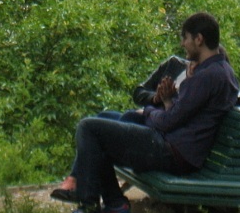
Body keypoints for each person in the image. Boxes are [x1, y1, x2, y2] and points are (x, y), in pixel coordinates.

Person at [60, 11, 238, 213]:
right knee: (104, 122)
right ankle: (115, 206)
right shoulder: (219, 72)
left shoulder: (207, 76)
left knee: (89, 128)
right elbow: (180, 114)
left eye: (186, 38)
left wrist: (147, 113)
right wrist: (169, 100)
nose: (183, 44)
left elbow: (167, 122)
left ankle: (88, 211)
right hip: (179, 147)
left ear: (199, 39)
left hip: (171, 151)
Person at [49, 54, 193, 202]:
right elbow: (139, 92)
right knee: (103, 117)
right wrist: (155, 98)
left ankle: (81, 189)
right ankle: (103, 196)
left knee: (95, 131)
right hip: (143, 119)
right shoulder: (174, 64)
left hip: (153, 127)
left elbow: (177, 113)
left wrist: (158, 105)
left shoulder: (197, 78)